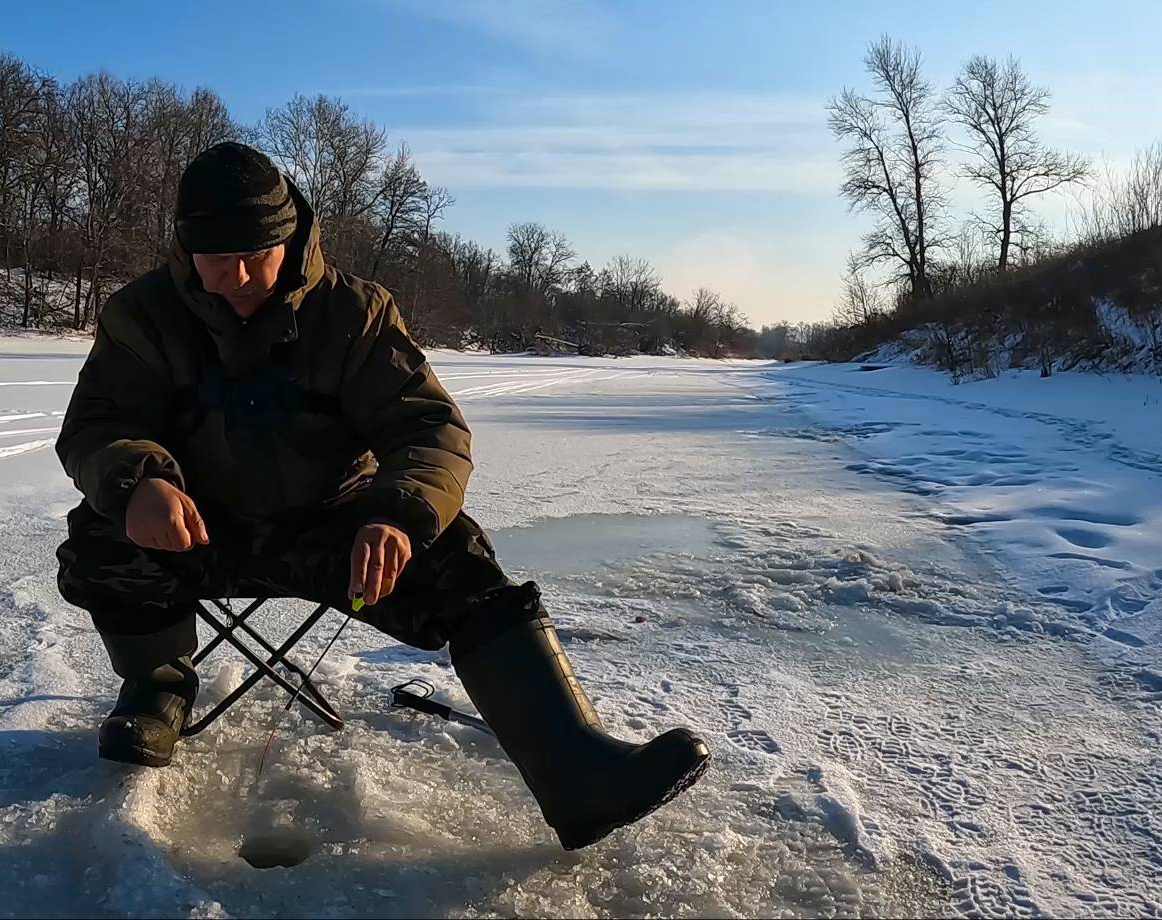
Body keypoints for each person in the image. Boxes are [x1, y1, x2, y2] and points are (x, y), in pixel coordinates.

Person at [53, 141, 708, 848]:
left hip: (338, 533)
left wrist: (396, 515)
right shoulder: (141, 314)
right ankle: (158, 686)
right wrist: (136, 481)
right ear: (186, 250)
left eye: (256, 254)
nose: (237, 277)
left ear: (290, 238)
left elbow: (428, 428)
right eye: (216, 259)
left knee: (464, 564)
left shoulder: (356, 312)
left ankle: (579, 772)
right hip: (199, 532)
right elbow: (98, 424)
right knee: (99, 534)